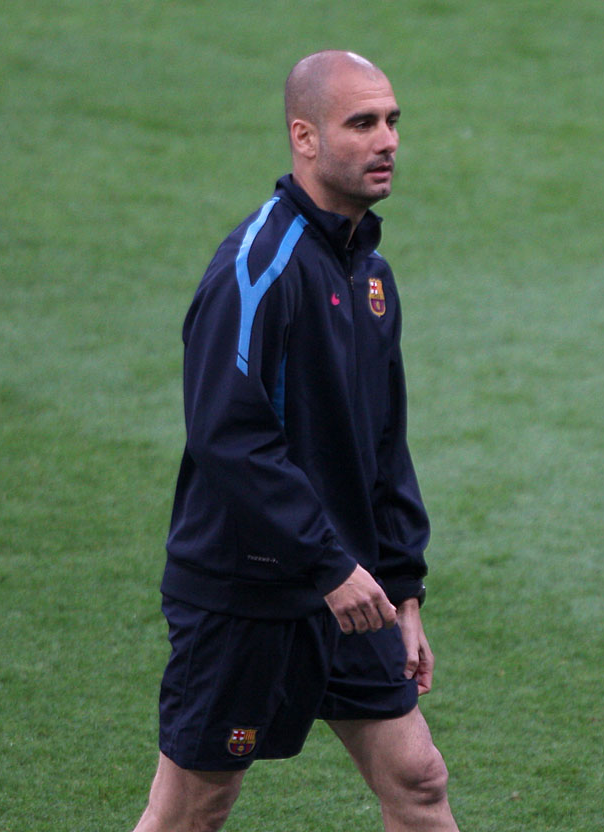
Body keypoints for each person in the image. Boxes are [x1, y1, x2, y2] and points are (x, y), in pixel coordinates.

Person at [131, 51, 459, 832]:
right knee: (194, 808)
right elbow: (229, 436)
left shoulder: (369, 274)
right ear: (304, 137)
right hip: (247, 592)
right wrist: (327, 564)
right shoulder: (257, 269)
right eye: (362, 123)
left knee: (418, 781)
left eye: (392, 121)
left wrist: (402, 588)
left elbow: (382, 444)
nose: (387, 140)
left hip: (350, 589)